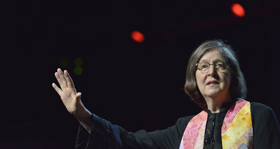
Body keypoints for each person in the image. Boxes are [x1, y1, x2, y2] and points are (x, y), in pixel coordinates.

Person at [52, 40, 280, 149]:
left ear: (232, 75)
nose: (211, 72)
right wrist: (83, 115)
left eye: (220, 65)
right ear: (195, 78)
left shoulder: (258, 116)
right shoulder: (185, 129)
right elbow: (129, 141)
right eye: (203, 66)